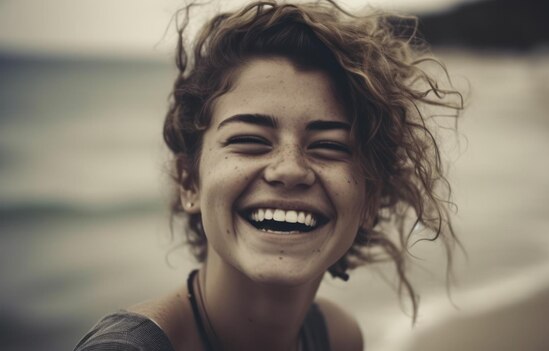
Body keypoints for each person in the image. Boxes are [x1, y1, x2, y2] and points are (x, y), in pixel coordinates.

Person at [74, 0, 462, 350]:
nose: (290, 169)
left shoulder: (338, 337)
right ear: (189, 182)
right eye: (249, 140)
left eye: (330, 146)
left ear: (370, 199)